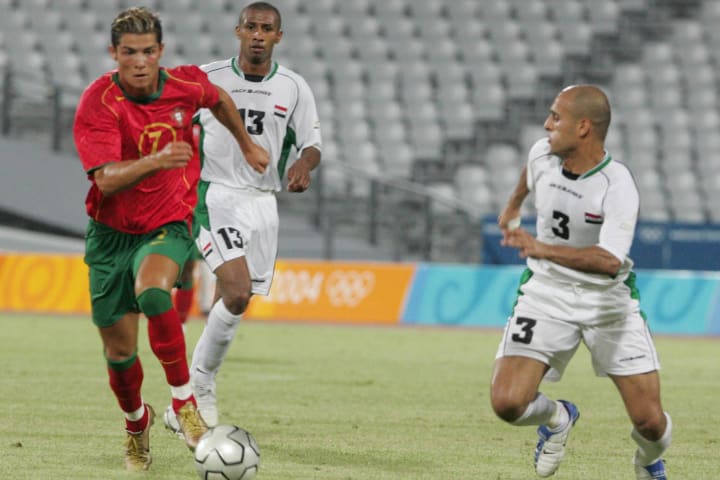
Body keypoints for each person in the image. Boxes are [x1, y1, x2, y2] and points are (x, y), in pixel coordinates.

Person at [73, 7, 269, 472]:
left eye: (147, 52)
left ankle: (185, 405)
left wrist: (246, 144)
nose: (139, 62)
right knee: (120, 355)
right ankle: (135, 425)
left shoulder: (182, 85)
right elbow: (106, 181)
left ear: (160, 52)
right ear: (114, 54)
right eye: (129, 54)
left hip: (168, 223)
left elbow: (218, 97)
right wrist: (156, 161)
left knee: (155, 291)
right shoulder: (98, 102)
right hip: (109, 236)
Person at [491, 85, 671, 479]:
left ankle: (646, 459)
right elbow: (530, 173)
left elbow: (609, 261)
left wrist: (540, 248)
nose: (546, 124)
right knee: (507, 403)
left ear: (584, 127)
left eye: (556, 117)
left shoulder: (616, 185)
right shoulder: (543, 152)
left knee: (650, 423)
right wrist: (513, 205)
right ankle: (558, 418)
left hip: (607, 304)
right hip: (545, 294)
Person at [163, 1, 322, 430]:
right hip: (215, 196)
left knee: (230, 302)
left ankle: (183, 405)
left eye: (265, 29)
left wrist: (304, 166)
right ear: (238, 31)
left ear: (278, 37)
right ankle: (200, 390)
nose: (257, 35)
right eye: (250, 27)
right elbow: (164, 110)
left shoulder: (293, 87)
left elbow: (311, 143)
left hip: (262, 203)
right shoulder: (210, 78)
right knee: (235, 292)